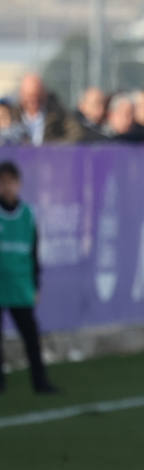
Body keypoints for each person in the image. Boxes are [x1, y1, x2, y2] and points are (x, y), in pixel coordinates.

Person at [0, 161, 57, 394]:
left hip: (20, 286)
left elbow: (34, 252)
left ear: (19, 184)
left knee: (31, 337)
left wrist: (35, 284)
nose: (7, 187)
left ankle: (40, 382)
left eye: (11, 182)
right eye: (2, 182)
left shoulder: (28, 215)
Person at [7, 74, 70, 145]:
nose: (33, 100)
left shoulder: (58, 114)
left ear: (44, 94)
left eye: (37, 95)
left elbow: (76, 134)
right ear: (21, 95)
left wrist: (53, 146)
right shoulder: (9, 116)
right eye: (29, 96)